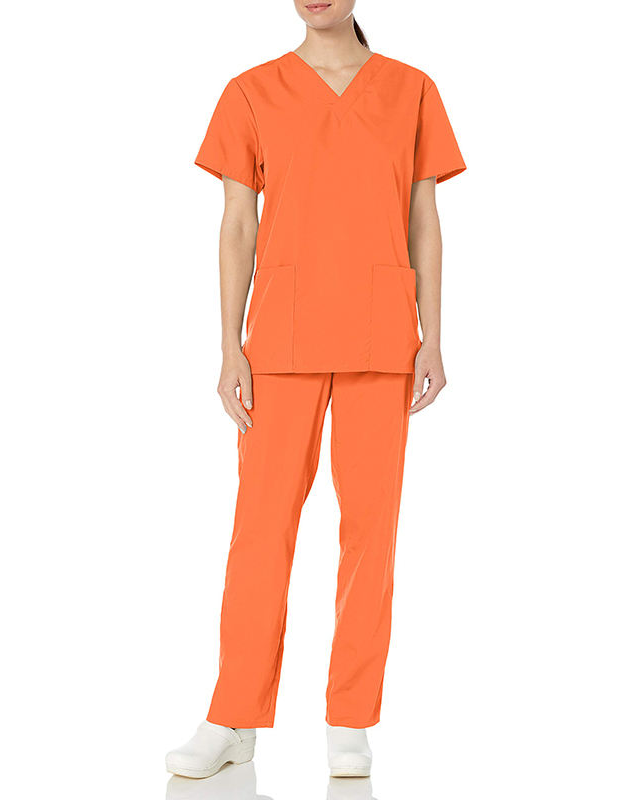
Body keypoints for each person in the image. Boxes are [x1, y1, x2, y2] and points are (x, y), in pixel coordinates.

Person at [167, 0, 466, 780]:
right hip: (282, 339)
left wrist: (433, 334)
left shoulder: (412, 91)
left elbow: (423, 217)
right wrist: (229, 345)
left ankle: (350, 720)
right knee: (259, 533)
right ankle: (233, 716)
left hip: (381, 336)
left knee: (370, 534)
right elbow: (237, 223)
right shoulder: (250, 92)